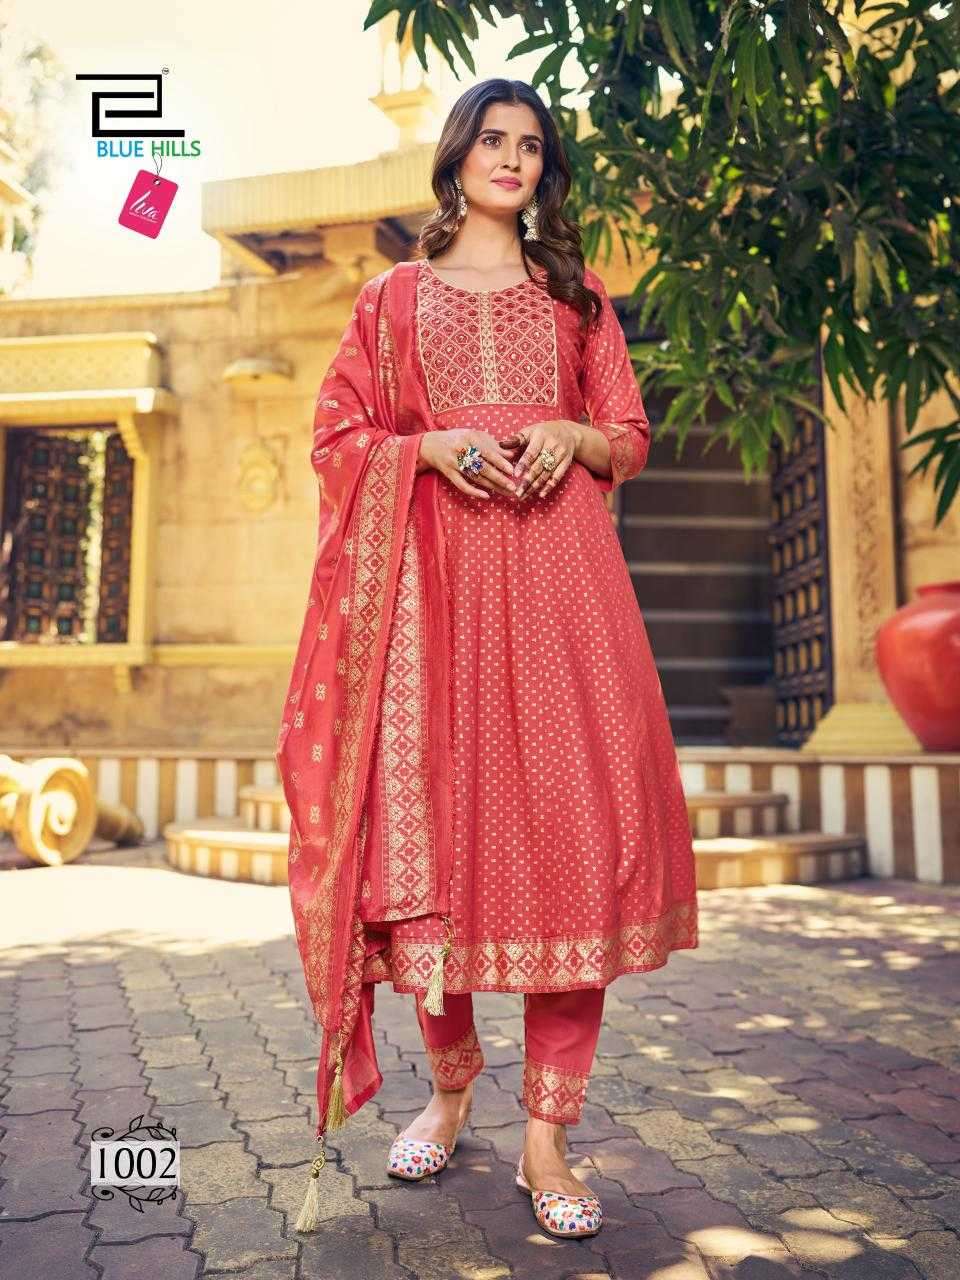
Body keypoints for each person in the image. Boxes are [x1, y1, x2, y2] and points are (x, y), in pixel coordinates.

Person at [275, 76, 699, 1241]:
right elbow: (338, 434)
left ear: (545, 168)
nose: (513, 158)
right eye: (494, 140)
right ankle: (450, 1088)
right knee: (439, 851)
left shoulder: (576, 296)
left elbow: (629, 433)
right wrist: (426, 449)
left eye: (532, 145)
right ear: (459, 154)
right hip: (436, 602)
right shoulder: (390, 300)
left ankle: (547, 1136)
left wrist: (572, 433)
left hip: (565, 595)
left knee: (577, 843)